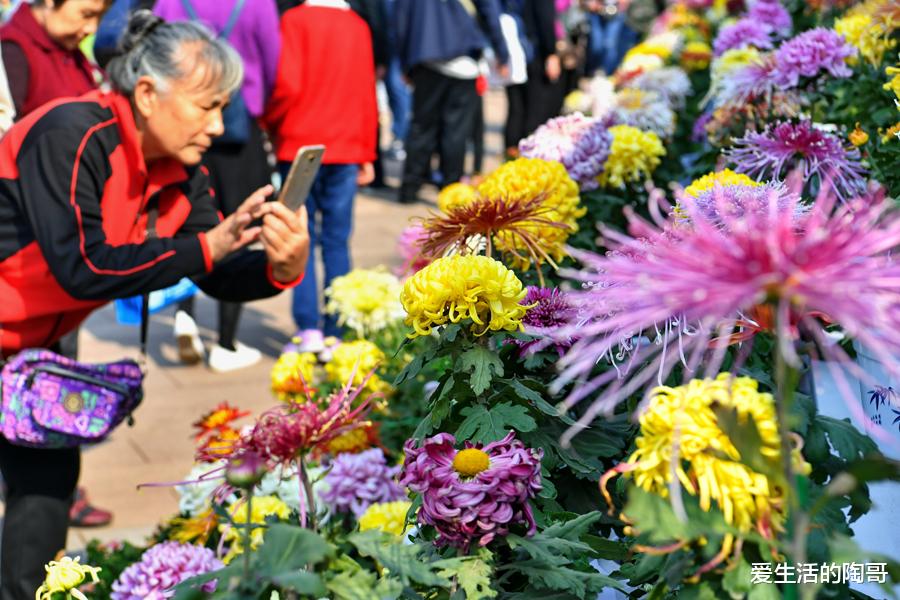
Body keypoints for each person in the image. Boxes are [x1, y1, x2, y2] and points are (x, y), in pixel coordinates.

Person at [0, 13, 310, 598]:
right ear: (147, 93)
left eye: (224, 107)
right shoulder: (73, 132)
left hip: (29, 348)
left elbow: (211, 269)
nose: (218, 126)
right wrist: (208, 245)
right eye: (206, 106)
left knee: (46, 486)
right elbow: (83, 265)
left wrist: (282, 264)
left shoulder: (180, 165)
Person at [154, 0, 282, 372]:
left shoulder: (170, 2)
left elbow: (157, 56)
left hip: (184, 127)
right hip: (242, 133)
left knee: (188, 221)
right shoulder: (258, 4)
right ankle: (225, 343)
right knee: (240, 230)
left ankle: (184, 314)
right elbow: (273, 65)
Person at [264, 0, 377, 355]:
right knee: (337, 239)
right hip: (345, 145)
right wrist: (368, 151)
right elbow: (366, 92)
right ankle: (337, 329)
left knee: (301, 237)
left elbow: (286, 85)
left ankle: (308, 327)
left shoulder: (295, 20)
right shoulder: (358, 26)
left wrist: (270, 125)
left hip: (299, 144)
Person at [394, 0, 510, 204]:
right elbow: (488, 10)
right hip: (462, 57)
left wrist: (405, 62)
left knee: (421, 126)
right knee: (456, 132)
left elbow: (400, 18)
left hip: (425, 57)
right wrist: (502, 52)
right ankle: (450, 193)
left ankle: (409, 189)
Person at [0, 0, 107, 119]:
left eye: (100, 17)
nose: (92, 28)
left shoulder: (71, 50)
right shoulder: (11, 50)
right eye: (86, 14)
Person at [503, 0, 561, 156]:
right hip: (534, 53)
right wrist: (551, 53)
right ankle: (529, 153)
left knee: (516, 106)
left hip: (512, 51)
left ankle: (511, 153)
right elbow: (545, 19)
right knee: (535, 108)